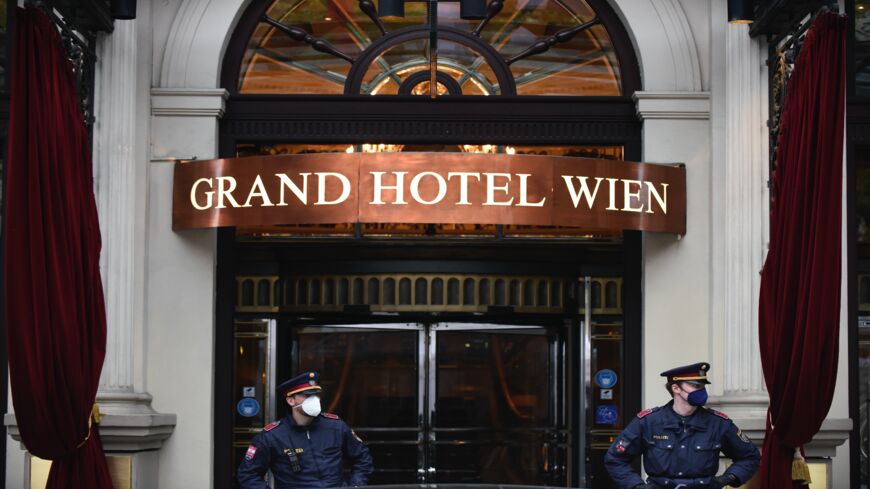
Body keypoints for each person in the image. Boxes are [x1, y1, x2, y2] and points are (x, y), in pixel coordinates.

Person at [604, 362, 760, 489]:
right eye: (695, 386)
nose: (702, 391)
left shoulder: (718, 423)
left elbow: (750, 457)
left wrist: (727, 478)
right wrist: (637, 486)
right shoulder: (649, 422)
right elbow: (615, 459)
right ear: (676, 388)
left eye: (703, 386)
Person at [237, 371, 374, 488]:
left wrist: (355, 486)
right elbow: (248, 474)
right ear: (291, 401)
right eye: (307, 395)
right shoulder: (272, 436)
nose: (314, 400)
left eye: (316, 395)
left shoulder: (335, 427)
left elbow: (362, 458)